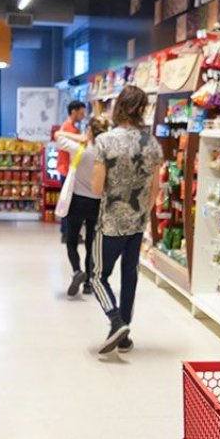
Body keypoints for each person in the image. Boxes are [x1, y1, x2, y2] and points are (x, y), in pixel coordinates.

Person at [90, 86, 162, 354]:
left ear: (119, 106)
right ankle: (124, 334)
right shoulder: (152, 143)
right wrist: (142, 212)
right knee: (129, 274)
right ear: (142, 109)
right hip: (137, 222)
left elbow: (97, 189)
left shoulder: (106, 141)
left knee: (97, 276)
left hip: (110, 222)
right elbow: (155, 189)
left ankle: (116, 320)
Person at [54, 115, 110, 297]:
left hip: (77, 201)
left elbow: (58, 135)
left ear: (90, 131)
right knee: (91, 244)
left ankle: (77, 271)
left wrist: (81, 138)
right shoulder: (107, 154)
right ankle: (88, 284)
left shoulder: (78, 149)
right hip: (97, 202)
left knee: (71, 241)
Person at [56, 100, 86, 243]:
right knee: (68, 203)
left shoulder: (70, 127)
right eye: (81, 112)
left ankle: (68, 233)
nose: (83, 115)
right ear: (73, 112)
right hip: (67, 170)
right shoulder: (69, 128)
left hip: (67, 169)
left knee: (67, 202)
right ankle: (67, 234)